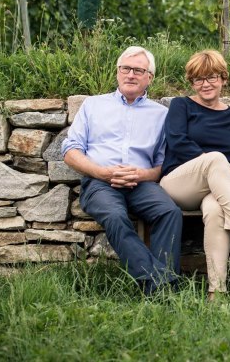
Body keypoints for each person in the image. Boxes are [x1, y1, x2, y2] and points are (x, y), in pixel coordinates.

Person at [62, 46, 183, 296]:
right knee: (116, 216)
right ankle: (160, 285)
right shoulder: (93, 105)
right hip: (99, 182)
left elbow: (163, 164)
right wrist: (103, 173)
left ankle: (159, 284)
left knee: (169, 212)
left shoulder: (161, 114)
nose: (130, 74)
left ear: (149, 77)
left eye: (138, 70)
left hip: (143, 184)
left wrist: (143, 175)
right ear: (117, 72)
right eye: (125, 69)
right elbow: (71, 151)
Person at [160, 50, 230, 300]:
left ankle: (217, 292)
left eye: (211, 77)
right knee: (216, 158)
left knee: (215, 210)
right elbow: (178, 142)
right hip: (179, 183)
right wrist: (222, 165)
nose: (205, 84)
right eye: (198, 79)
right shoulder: (182, 106)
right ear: (191, 83)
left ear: (224, 79)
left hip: (216, 190)